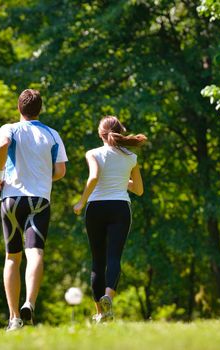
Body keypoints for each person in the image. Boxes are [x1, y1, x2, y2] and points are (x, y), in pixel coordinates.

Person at [0, 89, 68, 331]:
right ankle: (29, 303)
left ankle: (14, 318)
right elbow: (60, 172)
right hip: (39, 200)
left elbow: (3, 145)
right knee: (35, 253)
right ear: (40, 109)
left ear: (19, 108)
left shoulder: (9, 128)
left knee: (12, 257)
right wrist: (42, 177)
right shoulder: (53, 134)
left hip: (11, 199)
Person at [73, 116, 146, 323]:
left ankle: (100, 313)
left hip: (96, 208)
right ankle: (108, 299)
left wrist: (81, 202)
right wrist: (123, 180)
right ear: (120, 131)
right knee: (114, 258)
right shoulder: (131, 157)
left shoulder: (93, 153)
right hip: (120, 209)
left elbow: (94, 177)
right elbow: (139, 190)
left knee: (98, 262)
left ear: (100, 134)